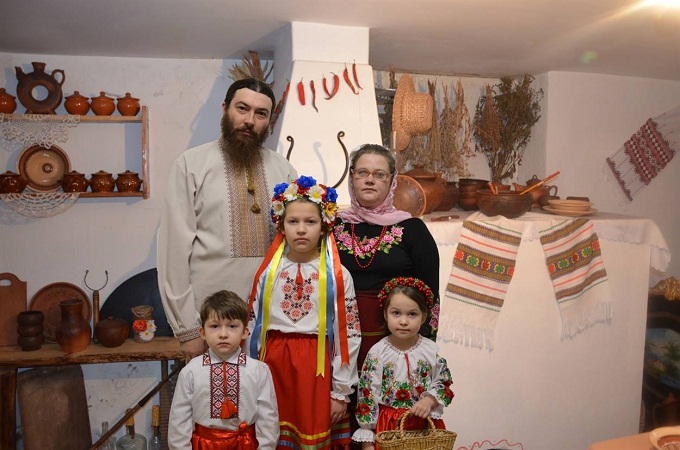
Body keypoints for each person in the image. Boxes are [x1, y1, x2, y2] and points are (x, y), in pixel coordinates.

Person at [158, 77, 297, 359]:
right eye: (242, 109)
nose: (249, 121)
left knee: (266, 389)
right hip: (210, 322)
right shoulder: (192, 164)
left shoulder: (283, 169)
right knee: (212, 390)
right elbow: (174, 251)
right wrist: (187, 329)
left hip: (272, 321)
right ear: (225, 109)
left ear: (269, 121)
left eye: (261, 114)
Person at [246, 175, 362, 449]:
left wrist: (340, 392)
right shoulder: (268, 273)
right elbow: (252, 328)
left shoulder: (337, 276)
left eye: (310, 222)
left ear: (323, 226)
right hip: (273, 366)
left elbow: (349, 335)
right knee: (271, 434)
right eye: (293, 221)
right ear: (281, 225)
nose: (301, 230)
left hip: (316, 367)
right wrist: (249, 375)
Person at [333, 143, 440, 367]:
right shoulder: (333, 226)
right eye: (362, 172)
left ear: (392, 181)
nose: (370, 180)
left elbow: (429, 297)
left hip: (396, 343)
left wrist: (422, 354)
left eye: (379, 174)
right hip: (338, 342)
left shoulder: (413, 229)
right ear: (352, 177)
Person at [168, 290, 279, 450]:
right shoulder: (191, 371)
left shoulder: (259, 370)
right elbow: (179, 420)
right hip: (204, 446)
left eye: (232, 326)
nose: (223, 334)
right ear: (202, 332)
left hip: (245, 445)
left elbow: (268, 418)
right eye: (215, 326)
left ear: (245, 332)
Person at [352, 277, 454, 449]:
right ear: (385, 315)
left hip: (424, 427)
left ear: (423, 317)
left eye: (412, 314)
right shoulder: (378, 353)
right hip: (389, 426)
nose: (404, 321)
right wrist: (368, 441)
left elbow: (444, 383)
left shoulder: (430, 350)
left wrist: (429, 401)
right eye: (396, 313)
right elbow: (367, 395)